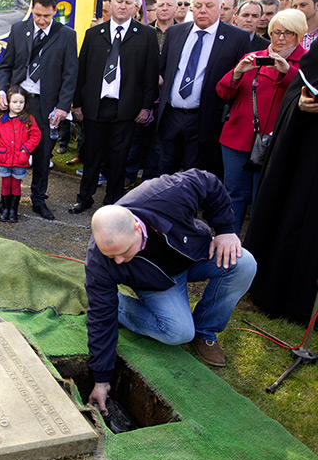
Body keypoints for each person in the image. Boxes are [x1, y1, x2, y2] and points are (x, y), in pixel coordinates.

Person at [84, 169, 257, 414]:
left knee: (244, 264)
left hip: (194, 254)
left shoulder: (164, 195)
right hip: (157, 282)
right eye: (113, 256)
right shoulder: (100, 260)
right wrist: (101, 379)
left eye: (124, 252)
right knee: (177, 332)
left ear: (136, 227)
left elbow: (206, 181)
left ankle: (205, 331)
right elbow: (100, 319)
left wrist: (226, 230)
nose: (119, 261)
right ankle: (120, 307)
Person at [243, 35, 318, 326]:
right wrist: (298, 106)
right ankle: (275, 295)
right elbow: (296, 92)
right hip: (304, 163)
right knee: (291, 222)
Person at [216, 9, 307, 235]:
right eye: (276, 32)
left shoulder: (305, 62)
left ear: (300, 35)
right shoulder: (254, 56)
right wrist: (237, 72)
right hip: (238, 139)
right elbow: (223, 92)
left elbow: (306, 94)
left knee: (263, 198)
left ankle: (256, 247)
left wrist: (288, 73)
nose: (281, 38)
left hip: (275, 142)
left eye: (289, 33)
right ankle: (229, 240)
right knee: (233, 193)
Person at [69, 0, 159, 215]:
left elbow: (150, 74)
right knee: (91, 155)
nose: (122, 6)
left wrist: (146, 106)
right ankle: (84, 198)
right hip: (95, 106)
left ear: (135, 8)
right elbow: (82, 72)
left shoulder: (146, 35)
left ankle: (113, 202)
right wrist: (77, 103)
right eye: (119, 1)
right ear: (110, 3)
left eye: (128, 3)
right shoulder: (94, 34)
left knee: (119, 158)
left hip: (126, 108)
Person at [0, 0, 78, 221]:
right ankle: (6, 200)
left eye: (47, 16)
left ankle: (38, 199)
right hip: (19, 100)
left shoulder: (67, 35)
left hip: (46, 105)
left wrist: (63, 107)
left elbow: (70, 76)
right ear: (32, 9)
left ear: (55, 11)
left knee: (42, 153)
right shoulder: (18, 29)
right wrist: (2, 90)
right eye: (37, 15)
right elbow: (6, 66)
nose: (41, 21)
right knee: (9, 151)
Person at [156, 0, 250, 176]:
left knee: (194, 175)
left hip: (205, 118)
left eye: (209, 5)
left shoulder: (236, 38)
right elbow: (163, 69)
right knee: (165, 171)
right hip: (171, 115)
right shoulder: (175, 32)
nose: (202, 10)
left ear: (221, 7)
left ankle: (189, 205)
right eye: (197, 5)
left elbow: (239, 81)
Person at [0, 86, 41, 223]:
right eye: (14, 102)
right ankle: (5, 209)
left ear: (25, 103)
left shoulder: (28, 119)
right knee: (5, 184)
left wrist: (25, 149)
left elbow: (36, 135)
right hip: (4, 158)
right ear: (8, 102)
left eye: (21, 102)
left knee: (16, 185)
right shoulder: (1, 120)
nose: (18, 105)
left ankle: (13, 211)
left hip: (19, 159)